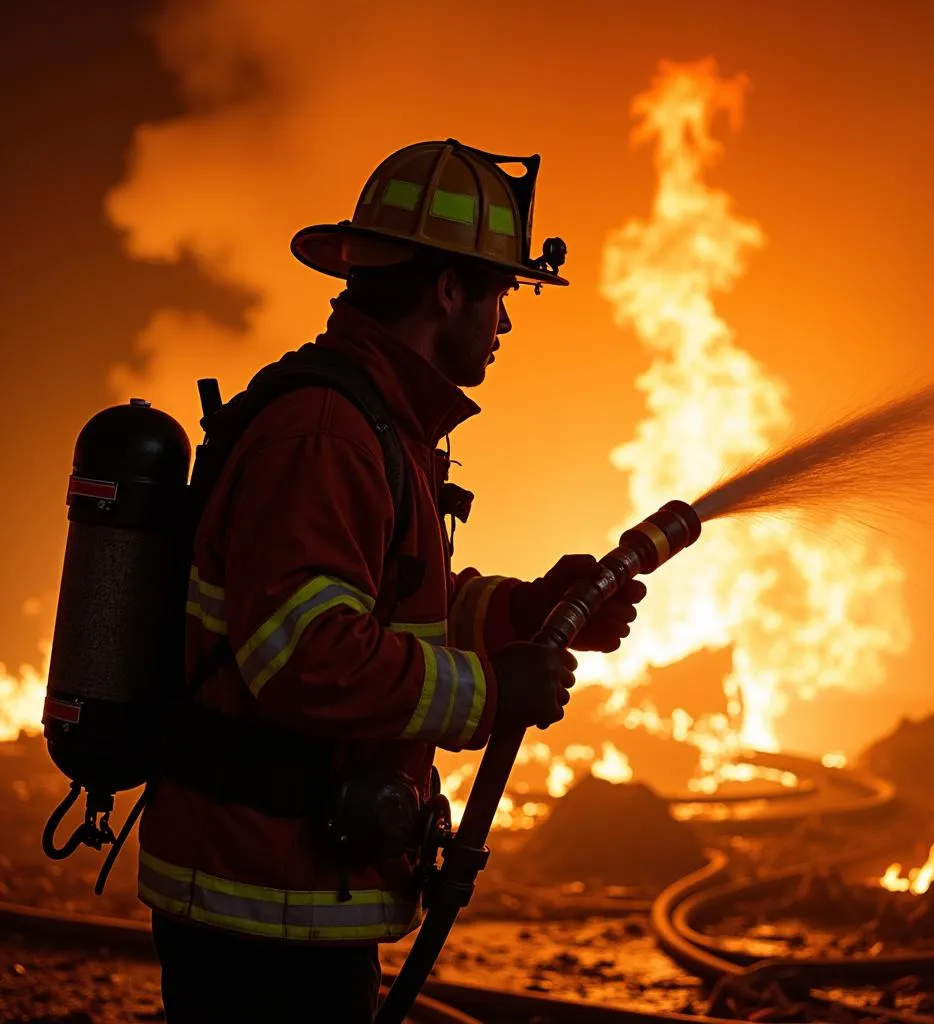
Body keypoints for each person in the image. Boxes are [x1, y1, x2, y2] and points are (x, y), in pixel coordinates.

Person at [137, 138, 647, 1023]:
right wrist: (491, 690)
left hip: (297, 889)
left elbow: (394, 612)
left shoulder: (379, 424)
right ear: (447, 289)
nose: (506, 322)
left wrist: (526, 612)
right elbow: (309, 659)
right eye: (498, 293)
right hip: (262, 904)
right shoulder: (327, 434)